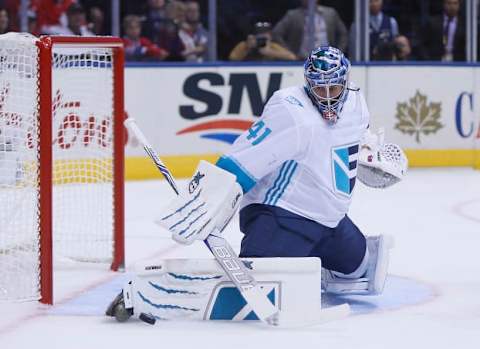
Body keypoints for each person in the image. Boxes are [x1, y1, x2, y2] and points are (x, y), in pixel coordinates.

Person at [105, 46, 407, 323]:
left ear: (346, 81)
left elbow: (354, 137)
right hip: (284, 217)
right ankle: (147, 293)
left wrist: (370, 156)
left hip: (330, 220)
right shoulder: (292, 112)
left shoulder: (356, 102)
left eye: (334, 87)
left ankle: (308, 262)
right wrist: (204, 200)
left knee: (360, 270)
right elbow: (243, 158)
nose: (327, 96)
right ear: (307, 83)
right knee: (254, 288)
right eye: (319, 87)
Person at [272, 0, 348, 60]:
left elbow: (343, 34)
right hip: (301, 59)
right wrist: (288, 52)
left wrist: (338, 53)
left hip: (327, 58)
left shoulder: (330, 13)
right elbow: (276, 33)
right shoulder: (293, 15)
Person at [229, 21, 296, 61]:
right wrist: (247, 48)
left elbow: (292, 57)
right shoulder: (244, 45)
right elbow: (232, 58)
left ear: (270, 36)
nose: (261, 39)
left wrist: (270, 52)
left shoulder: (272, 46)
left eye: (264, 36)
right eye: (259, 35)